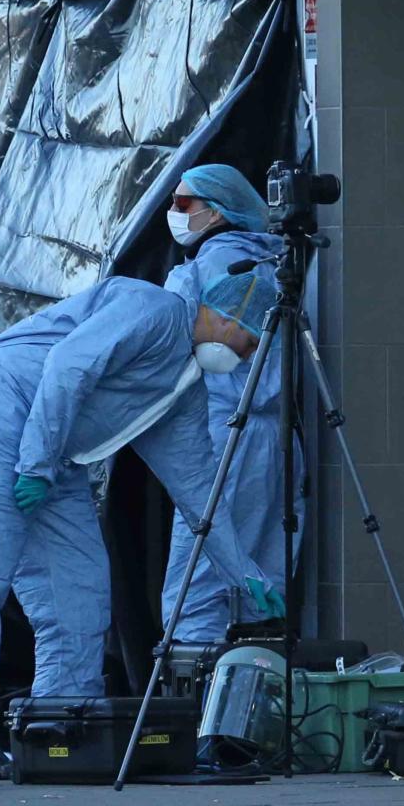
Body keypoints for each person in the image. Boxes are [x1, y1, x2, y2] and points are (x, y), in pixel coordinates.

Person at [0, 274, 283, 779]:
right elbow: (68, 367)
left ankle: (59, 724)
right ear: (230, 315)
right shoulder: (153, 309)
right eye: (248, 343)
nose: (245, 358)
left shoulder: (182, 390)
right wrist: (36, 464)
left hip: (53, 454)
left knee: (81, 589)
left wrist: (244, 573)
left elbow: (199, 491)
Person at [162, 163, 305, 642]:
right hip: (271, 435)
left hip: (224, 434)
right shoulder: (270, 260)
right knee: (260, 581)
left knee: (197, 581)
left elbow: (197, 349)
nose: (175, 213)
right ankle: (255, 700)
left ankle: (197, 705)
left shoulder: (218, 264)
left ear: (219, 211)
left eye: (185, 205)